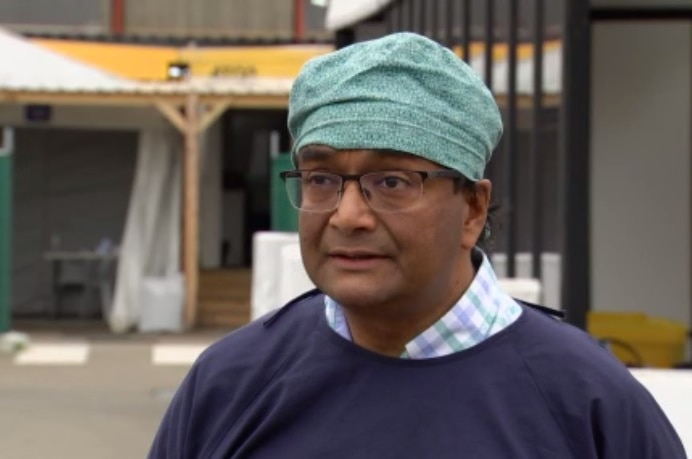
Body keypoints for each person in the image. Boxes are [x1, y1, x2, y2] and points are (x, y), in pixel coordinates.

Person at [148, 32, 685, 458]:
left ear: (473, 207)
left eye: (393, 182)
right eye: (321, 179)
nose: (348, 216)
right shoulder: (233, 384)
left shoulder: (586, 402)